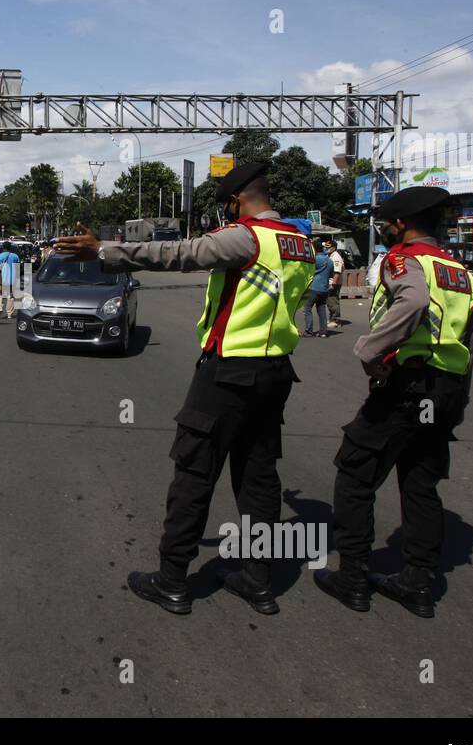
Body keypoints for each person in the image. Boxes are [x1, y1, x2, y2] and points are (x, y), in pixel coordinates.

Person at [54, 161, 314, 615]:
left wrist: (106, 250)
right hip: (275, 373)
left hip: (229, 372)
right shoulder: (300, 243)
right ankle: (258, 579)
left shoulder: (246, 236)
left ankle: (172, 579)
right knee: (259, 481)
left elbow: (179, 253)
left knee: (194, 472)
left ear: (236, 201)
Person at [314, 187, 473, 619]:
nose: (382, 232)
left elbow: (415, 300)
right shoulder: (457, 269)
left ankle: (352, 578)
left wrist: (370, 351)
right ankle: (418, 582)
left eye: (385, 225)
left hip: (407, 385)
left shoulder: (403, 259)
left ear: (401, 225)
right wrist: (459, 395)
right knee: (420, 483)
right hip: (447, 389)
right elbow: (471, 333)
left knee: (355, 473)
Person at [301, 242, 333, 337]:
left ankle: (309, 331)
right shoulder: (329, 260)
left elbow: (307, 270)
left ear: (314, 249)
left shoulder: (315, 259)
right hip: (324, 288)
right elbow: (331, 274)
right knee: (321, 309)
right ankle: (323, 332)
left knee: (307, 308)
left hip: (314, 287)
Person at [0, 241, 21, 318]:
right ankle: (9, 314)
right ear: (10, 247)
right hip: (12, 279)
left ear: (3, 248)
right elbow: (18, 266)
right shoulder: (15, 256)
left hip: (2, 279)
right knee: (10, 296)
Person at [325, 239, 344, 328]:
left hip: (334, 283)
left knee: (333, 300)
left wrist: (333, 284)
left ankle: (336, 319)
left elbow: (337, 272)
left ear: (334, 248)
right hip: (330, 282)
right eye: (325, 246)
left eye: (328, 247)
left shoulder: (336, 257)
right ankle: (332, 318)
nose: (326, 248)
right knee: (330, 301)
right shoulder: (330, 256)